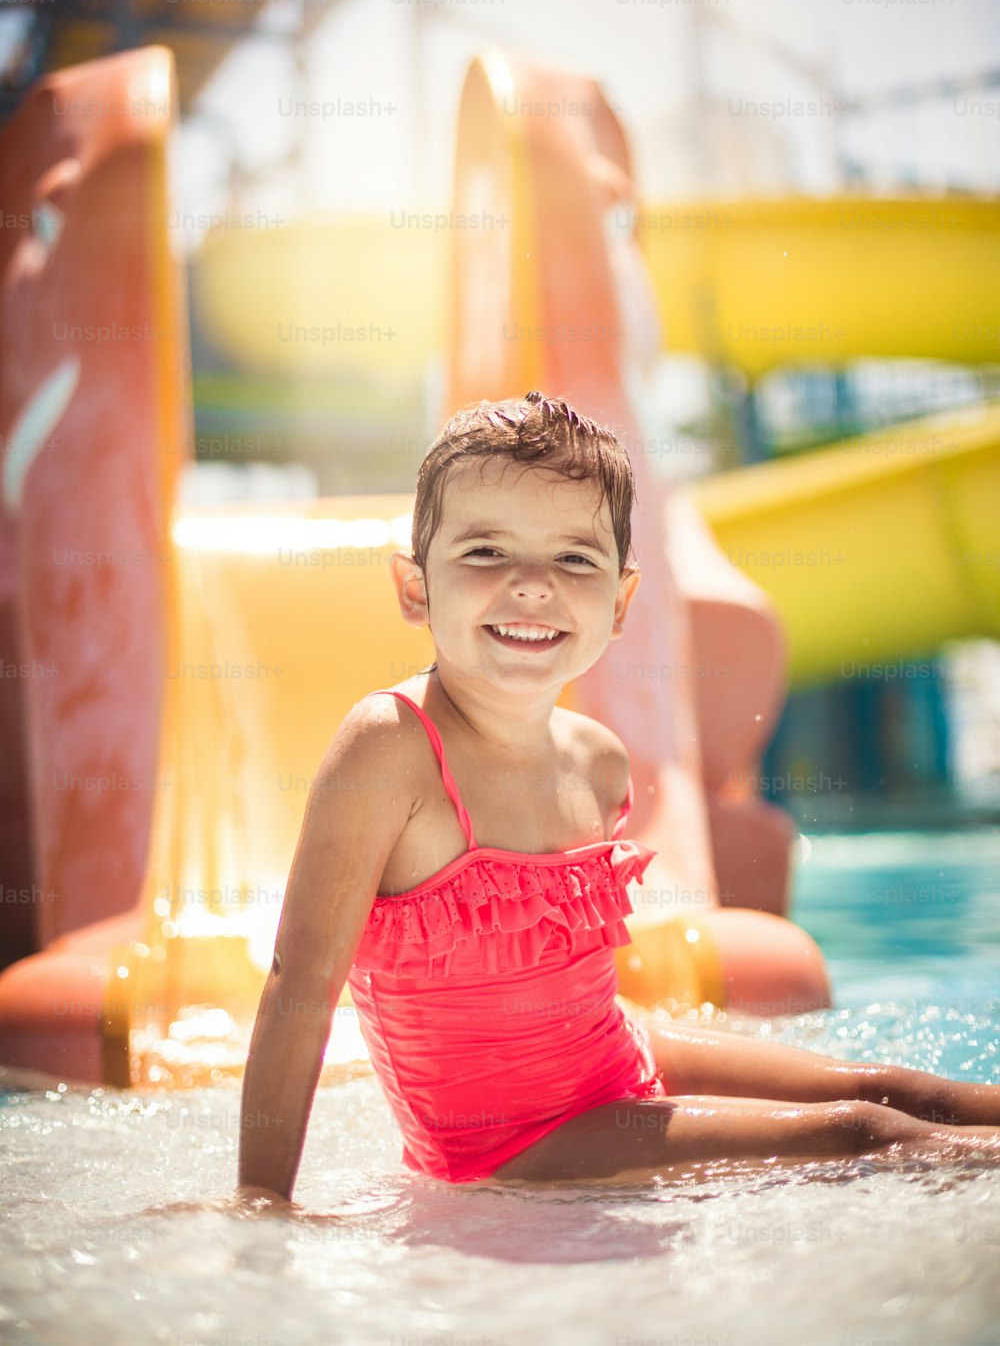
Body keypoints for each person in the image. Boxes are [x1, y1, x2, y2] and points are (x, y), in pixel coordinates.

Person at [236, 390, 1000, 1211]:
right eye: (486, 553)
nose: (532, 587)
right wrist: (260, 1197)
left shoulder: (595, 760)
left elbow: (568, 982)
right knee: (861, 1131)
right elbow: (298, 985)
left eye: (574, 560)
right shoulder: (391, 745)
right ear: (414, 587)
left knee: (894, 1089)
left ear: (622, 602)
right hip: (506, 1141)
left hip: (611, 1053)